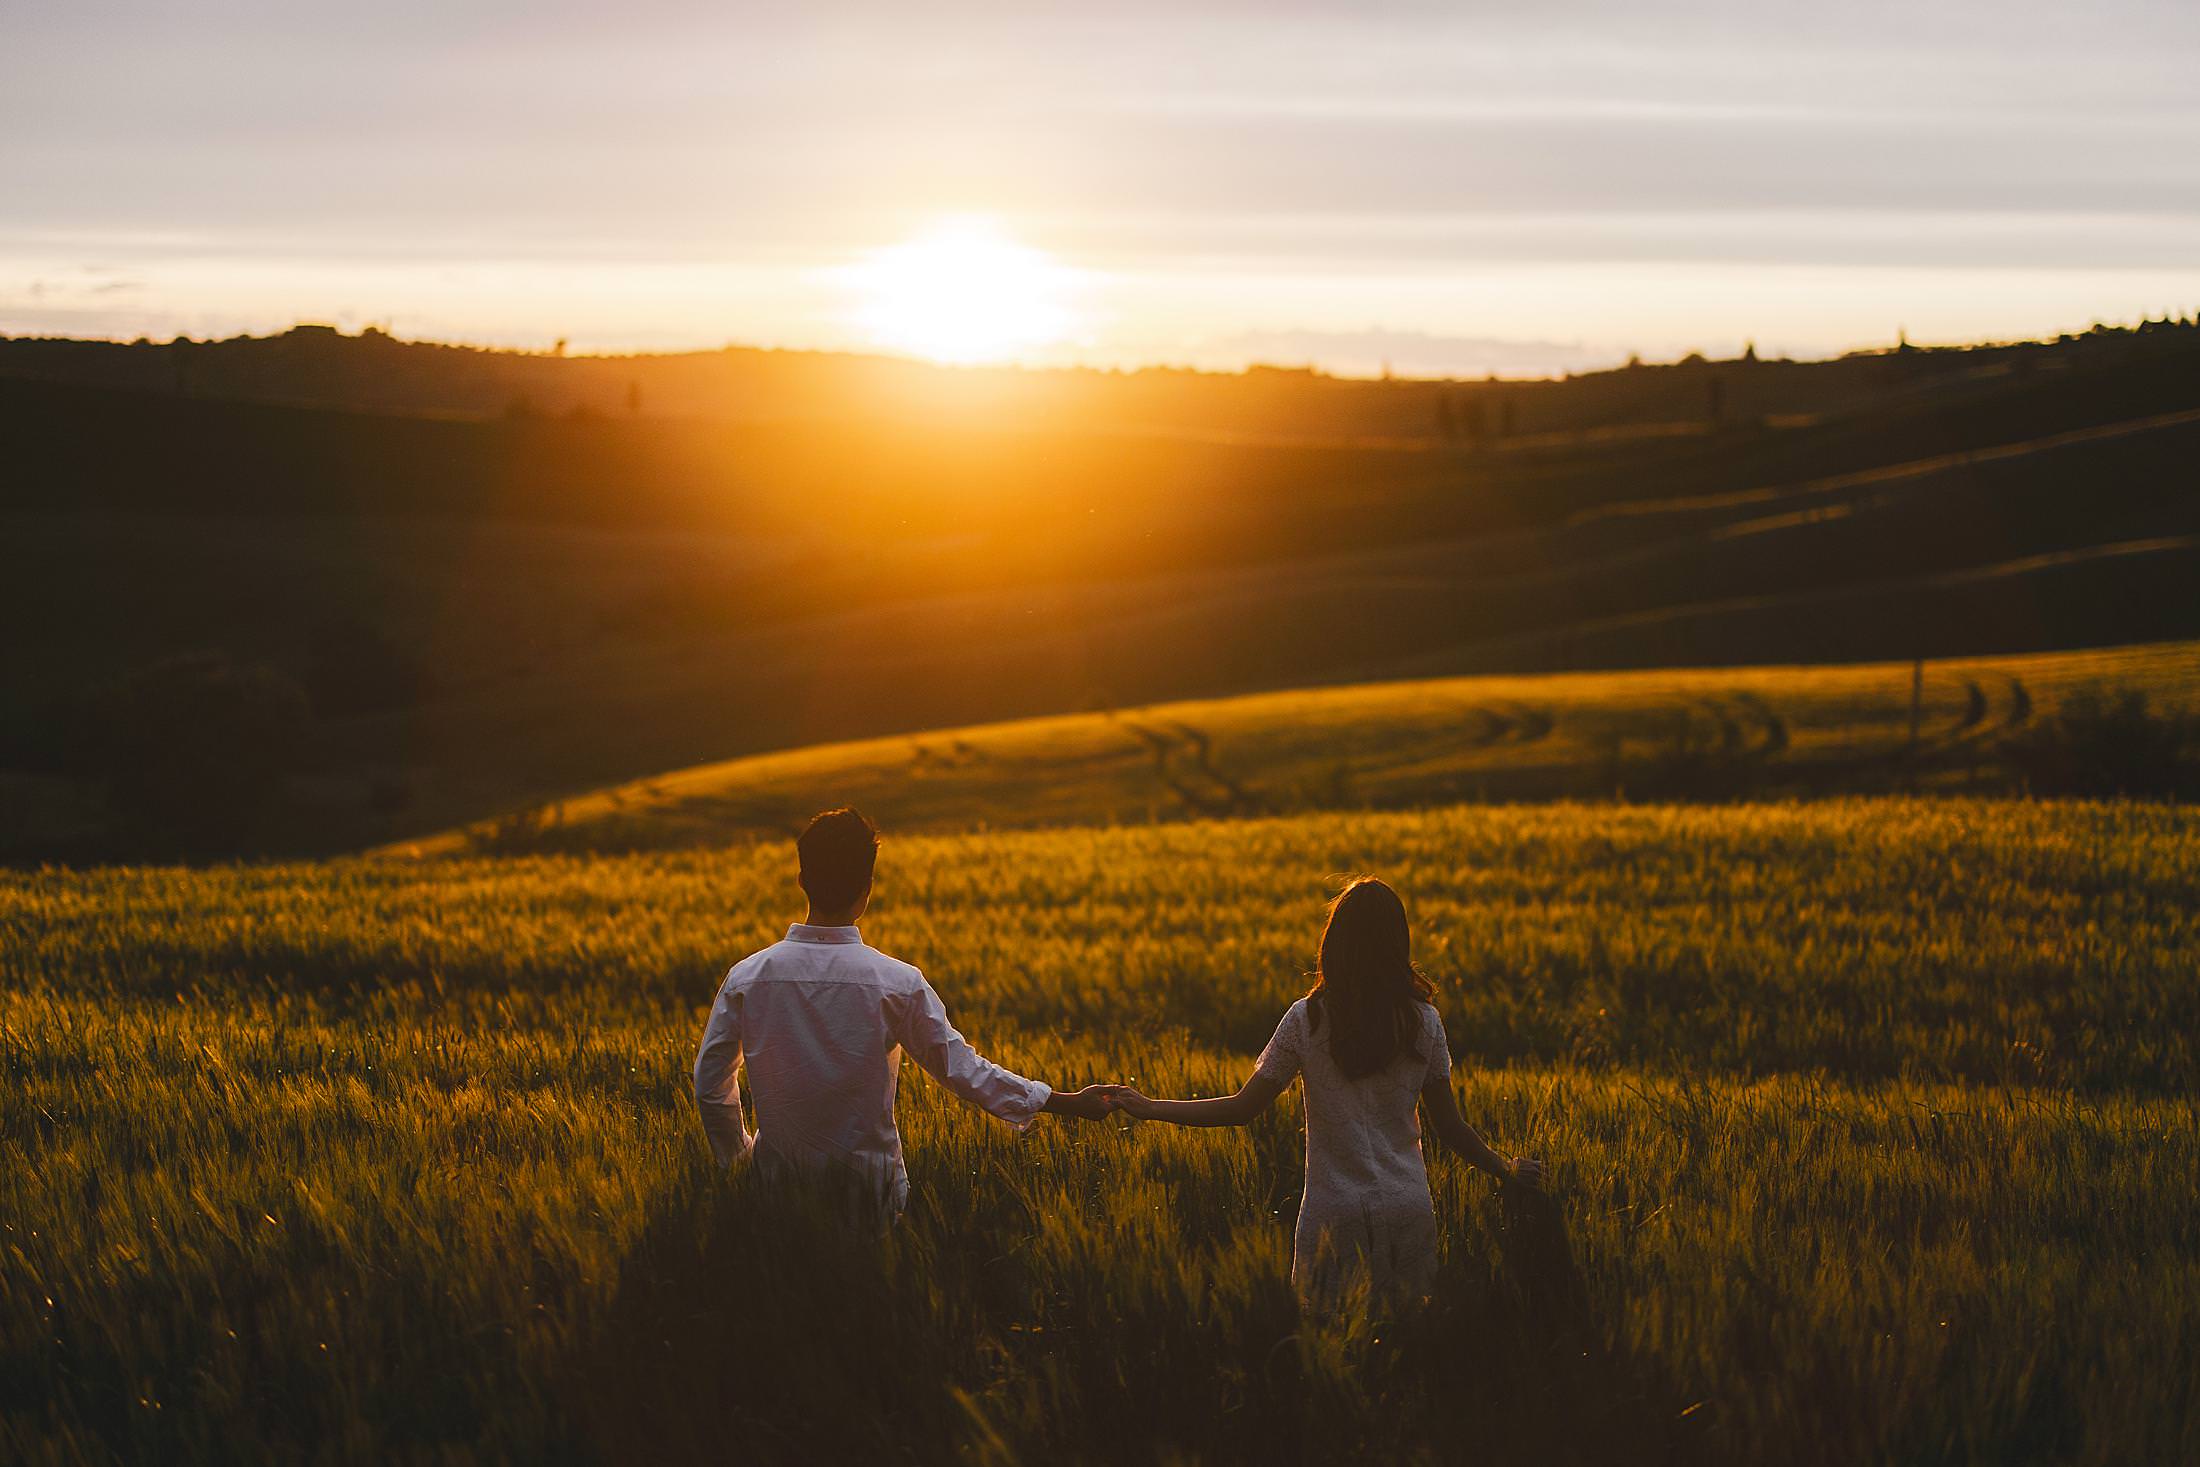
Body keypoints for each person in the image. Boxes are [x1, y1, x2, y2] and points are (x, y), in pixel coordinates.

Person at [1102, 877, 1542, 1312]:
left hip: (1335, 1213)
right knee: (1406, 1348)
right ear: (1397, 944)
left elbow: (1241, 1109)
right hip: (1407, 1209)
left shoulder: (1306, 1020)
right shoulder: (1422, 1021)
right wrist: (1506, 1169)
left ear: (1334, 942)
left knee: (1332, 1344)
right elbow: (1451, 1129)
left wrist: (1149, 1107)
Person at [692, 807, 1113, 1216]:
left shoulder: (748, 977)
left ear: (802, 880)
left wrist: (742, 1162)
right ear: (867, 888)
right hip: (871, 1196)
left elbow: (710, 1083)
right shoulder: (897, 982)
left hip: (775, 1193)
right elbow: (961, 1069)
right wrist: (1067, 1103)